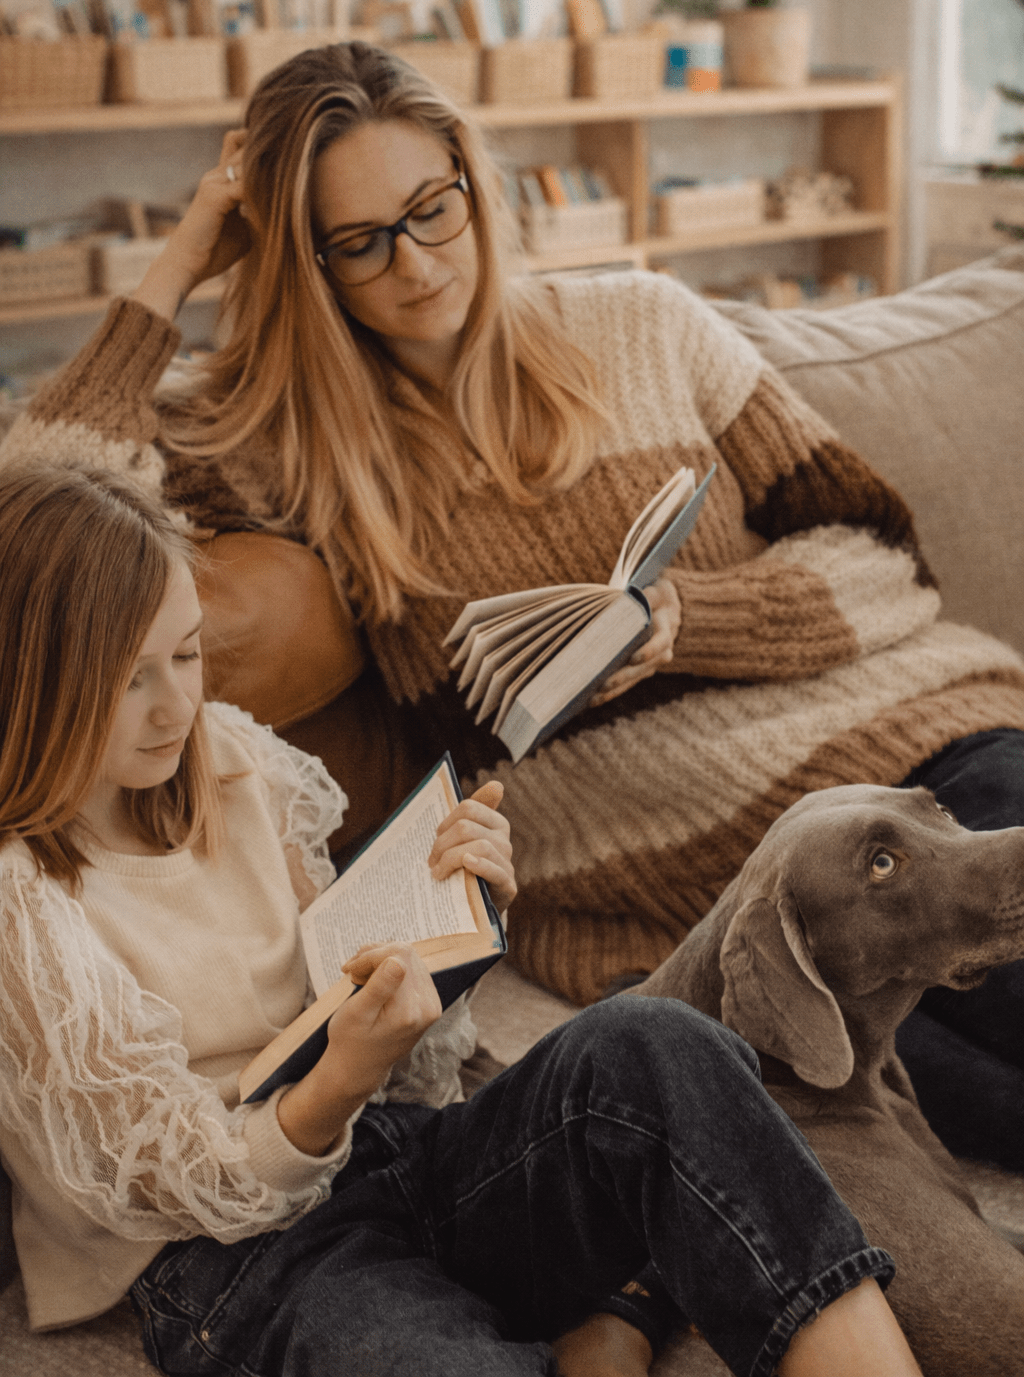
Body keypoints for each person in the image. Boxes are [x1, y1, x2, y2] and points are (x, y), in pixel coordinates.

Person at [1, 41, 1022, 1167]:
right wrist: (182, 258)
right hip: (680, 860)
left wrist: (688, 621)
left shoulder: (645, 322)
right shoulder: (280, 448)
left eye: (430, 209)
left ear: (470, 177)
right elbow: (35, 527)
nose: (414, 262)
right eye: (358, 241)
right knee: (967, 1094)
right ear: (312, 265)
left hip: (923, 749)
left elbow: (881, 553)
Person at [0, 460, 922, 1377]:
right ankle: (607, 1317)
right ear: (29, 684)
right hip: (235, 1256)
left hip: (396, 1146)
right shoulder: (21, 901)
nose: (177, 707)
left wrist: (450, 922)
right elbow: (162, 1184)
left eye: (190, 655)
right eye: (130, 681)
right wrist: (344, 1076)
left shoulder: (233, 760)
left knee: (653, 1041)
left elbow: (343, 985)